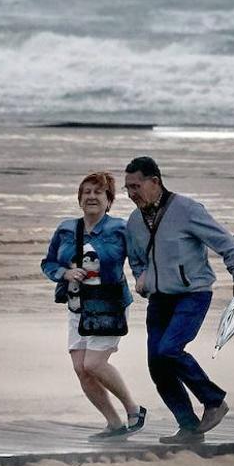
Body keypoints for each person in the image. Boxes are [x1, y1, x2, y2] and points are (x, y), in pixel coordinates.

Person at [123, 156, 234, 444]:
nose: (132, 194)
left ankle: (214, 400)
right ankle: (189, 428)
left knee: (169, 349)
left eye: (136, 186)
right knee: (157, 364)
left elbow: (224, 242)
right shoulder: (133, 221)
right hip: (159, 299)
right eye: (127, 188)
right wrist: (141, 277)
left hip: (193, 294)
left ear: (155, 182)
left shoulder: (187, 209)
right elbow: (136, 259)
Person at [41, 172, 146, 440]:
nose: (91, 196)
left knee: (95, 363)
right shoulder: (66, 228)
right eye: (86, 192)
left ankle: (134, 410)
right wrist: (64, 273)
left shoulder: (121, 229)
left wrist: (144, 280)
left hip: (110, 305)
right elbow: (49, 263)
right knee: (81, 369)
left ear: (109, 201)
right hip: (77, 306)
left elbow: (139, 260)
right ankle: (114, 423)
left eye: (98, 192)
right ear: (79, 199)